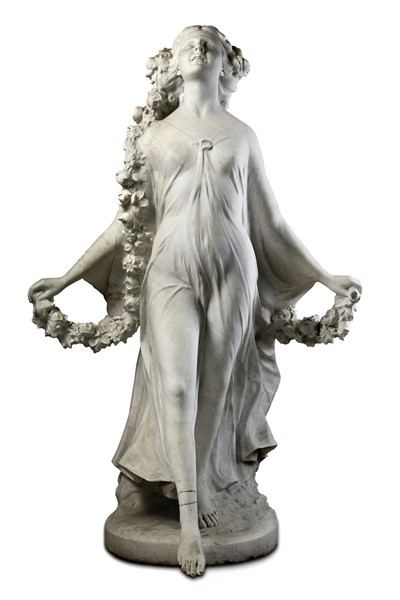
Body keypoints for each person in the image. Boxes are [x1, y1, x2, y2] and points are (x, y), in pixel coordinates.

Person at [28, 26, 361, 577]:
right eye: (189, 42)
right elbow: (127, 223)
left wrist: (326, 277)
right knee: (177, 386)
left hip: (234, 271)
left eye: (209, 42)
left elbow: (272, 221)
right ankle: (187, 519)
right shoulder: (155, 137)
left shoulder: (243, 136)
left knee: (216, 385)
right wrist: (66, 277)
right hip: (171, 270)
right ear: (173, 64)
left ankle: (203, 482)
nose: (199, 46)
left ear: (225, 63)